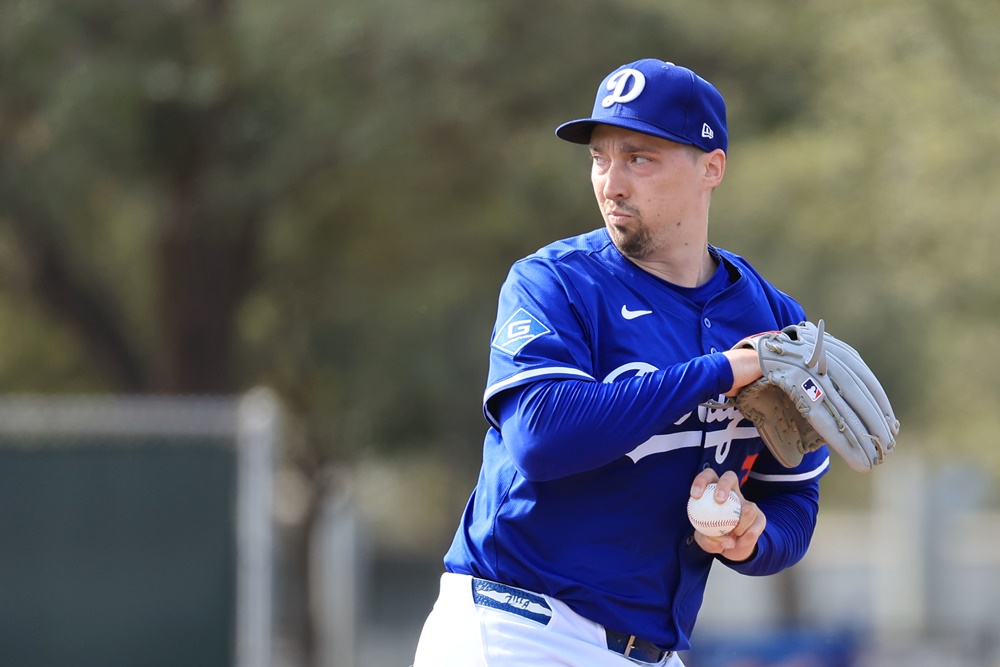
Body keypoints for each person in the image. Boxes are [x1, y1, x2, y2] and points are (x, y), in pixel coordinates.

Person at [412, 58, 830, 667]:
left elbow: (795, 497)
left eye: (639, 157)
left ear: (711, 168)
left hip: (650, 653)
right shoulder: (554, 282)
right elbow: (541, 436)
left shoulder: (771, 315)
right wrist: (719, 371)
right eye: (599, 158)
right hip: (518, 629)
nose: (612, 181)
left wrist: (754, 536)